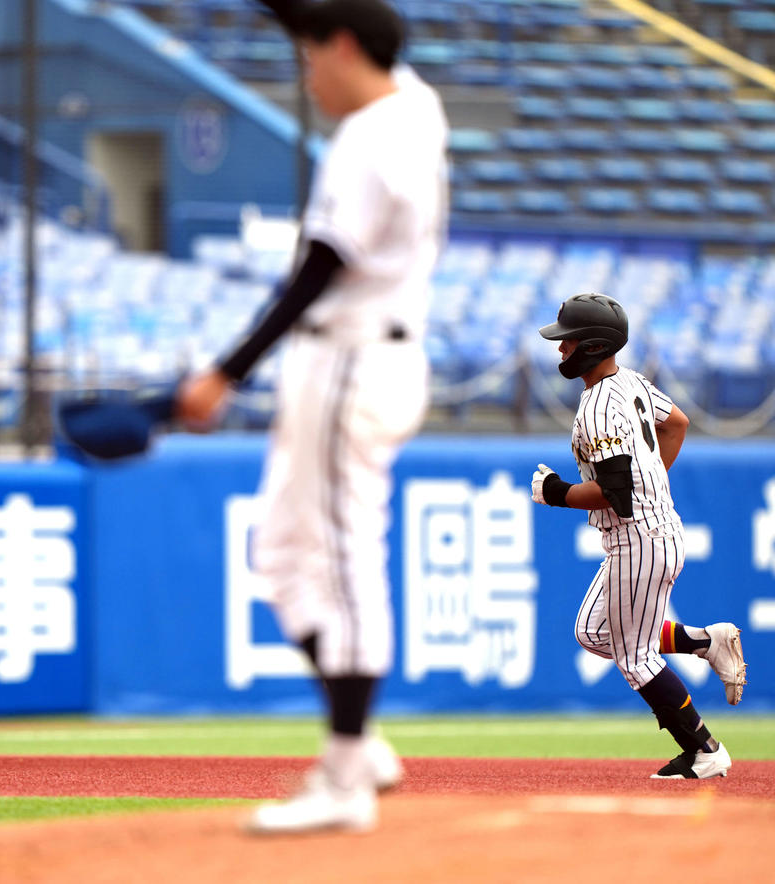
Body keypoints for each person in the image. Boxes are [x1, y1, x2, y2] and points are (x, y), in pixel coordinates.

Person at [176, 0, 448, 832]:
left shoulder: (372, 139)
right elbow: (360, 34)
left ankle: (342, 775)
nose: (305, 73)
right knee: (283, 555)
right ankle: (362, 747)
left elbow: (318, 269)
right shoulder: (414, 103)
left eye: (309, 54)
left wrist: (225, 373)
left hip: (354, 358)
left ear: (342, 47)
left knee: (344, 562)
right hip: (352, 356)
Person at [530, 293, 747, 779]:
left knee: (635, 658)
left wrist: (556, 492)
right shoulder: (630, 384)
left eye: (567, 341)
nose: (560, 349)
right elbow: (677, 424)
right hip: (649, 532)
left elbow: (616, 495)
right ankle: (706, 641)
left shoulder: (600, 406)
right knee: (593, 632)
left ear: (592, 345)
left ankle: (704, 749)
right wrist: (654, 475)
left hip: (639, 539)